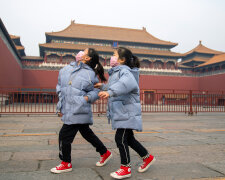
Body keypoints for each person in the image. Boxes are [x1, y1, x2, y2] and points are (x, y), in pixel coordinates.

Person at [95, 47, 156, 179]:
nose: (112, 57)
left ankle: (125, 167)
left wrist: (109, 92)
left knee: (120, 138)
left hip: (126, 111)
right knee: (129, 139)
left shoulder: (125, 72)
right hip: (122, 111)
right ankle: (148, 158)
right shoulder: (117, 72)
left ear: (122, 59)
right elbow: (115, 86)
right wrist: (103, 87)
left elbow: (124, 85)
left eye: (114, 55)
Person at [51, 48, 112, 174]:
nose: (80, 52)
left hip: (78, 108)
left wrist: (86, 98)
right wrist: (61, 104)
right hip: (69, 108)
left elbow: (95, 91)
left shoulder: (90, 74)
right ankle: (104, 152)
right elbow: (60, 86)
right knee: (86, 133)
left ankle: (66, 162)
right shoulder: (67, 69)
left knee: (64, 136)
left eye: (84, 51)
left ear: (87, 58)